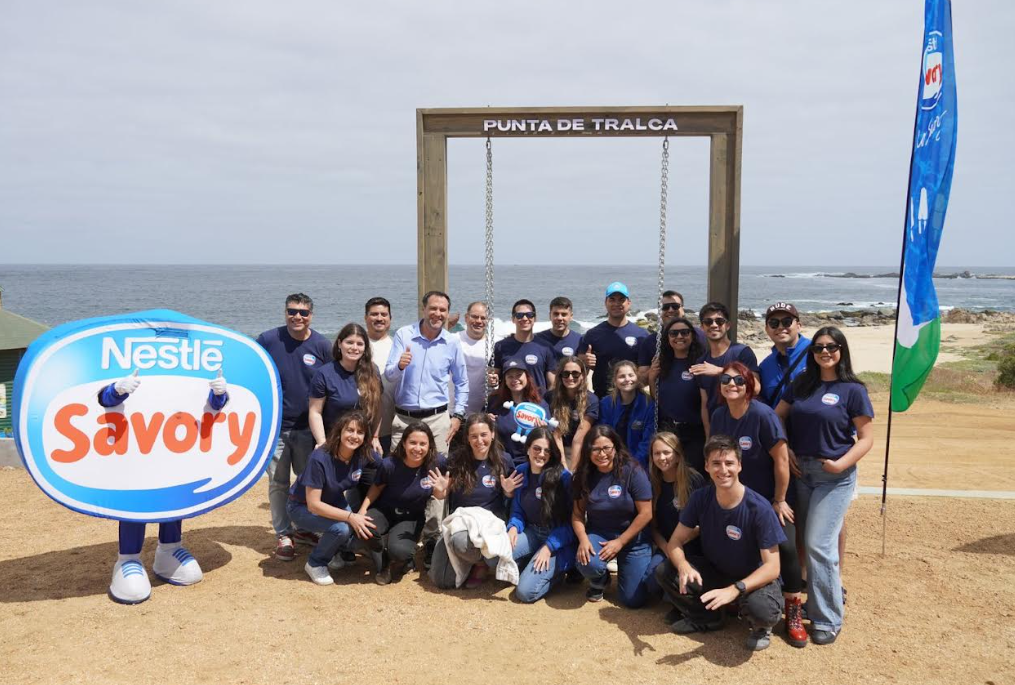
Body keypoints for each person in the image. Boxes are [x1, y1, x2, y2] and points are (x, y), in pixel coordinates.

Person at [775, 326, 874, 645]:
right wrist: (785, 446)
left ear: (841, 350)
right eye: (818, 347)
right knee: (807, 543)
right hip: (802, 472)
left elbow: (867, 438)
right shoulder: (802, 383)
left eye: (831, 346)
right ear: (812, 352)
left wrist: (841, 463)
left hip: (835, 476)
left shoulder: (852, 390)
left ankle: (828, 618)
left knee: (819, 545)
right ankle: (815, 605)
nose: (825, 352)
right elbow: (777, 416)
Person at [105, 370, 228, 604]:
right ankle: (128, 558)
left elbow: (211, 406)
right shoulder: (126, 348)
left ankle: (170, 548)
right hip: (135, 443)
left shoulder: (194, 359)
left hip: (178, 441)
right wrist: (116, 390)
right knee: (136, 501)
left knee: (174, 496)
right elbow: (101, 400)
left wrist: (219, 394)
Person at [654, 435, 785, 652]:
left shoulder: (759, 508)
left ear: (740, 466)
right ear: (706, 466)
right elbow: (675, 541)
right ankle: (708, 618)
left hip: (751, 579)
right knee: (666, 571)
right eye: (716, 463)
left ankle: (760, 626)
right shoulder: (700, 498)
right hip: (717, 571)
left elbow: (773, 567)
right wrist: (683, 565)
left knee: (763, 610)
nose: (723, 470)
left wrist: (736, 589)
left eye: (729, 463)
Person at [710, 361, 807, 647]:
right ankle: (738, 595)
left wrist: (779, 500)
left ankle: (793, 610)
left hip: (769, 498)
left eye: (739, 380)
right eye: (726, 380)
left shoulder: (763, 415)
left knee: (786, 546)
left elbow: (781, 460)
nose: (732, 384)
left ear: (749, 384)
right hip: (736, 498)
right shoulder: (718, 415)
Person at [256, 293, 333, 561]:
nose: (297, 317)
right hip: (276, 427)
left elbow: (331, 385)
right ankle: (283, 533)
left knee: (306, 481)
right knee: (278, 482)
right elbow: (255, 374)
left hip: (308, 429)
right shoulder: (268, 340)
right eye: (292, 311)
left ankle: (304, 528)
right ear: (285, 312)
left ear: (311, 315)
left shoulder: (323, 345)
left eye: (303, 312)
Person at [427, 414, 522, 589]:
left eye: (484, 434)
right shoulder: (457, 460)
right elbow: (442, 494)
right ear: (467, 439)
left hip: (490, 522)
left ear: (492, 434)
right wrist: (440, 490)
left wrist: (508, 492)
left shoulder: (504, 460)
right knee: (442, 581)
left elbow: (511, 500)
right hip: (461, 521)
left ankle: (481, 564)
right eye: (474, 436)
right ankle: (471, 560)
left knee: (460, 543)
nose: (479, 440)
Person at [285, 411, 379, 586]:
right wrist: (351, 517)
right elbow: (314, 505)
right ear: (340, 431)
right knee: (341, 529)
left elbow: (389, 468)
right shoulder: (320, 457)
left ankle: (336, 550)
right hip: (301, 507)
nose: (354, 436)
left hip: (334, 500)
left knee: (355, 531)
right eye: (350, 430)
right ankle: (316, 562)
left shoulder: (362, 454)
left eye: (360, 432)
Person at [571, 425, 653, 607]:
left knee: (633, 601)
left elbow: (646, 513)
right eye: (595, 449)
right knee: (587, 562)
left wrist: (621, 541)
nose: (602, 454)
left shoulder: (633, 470)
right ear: (588, 451)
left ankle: (630, 568)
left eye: (606, 448)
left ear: (615, 447)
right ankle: (600, 580)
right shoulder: (583, 475)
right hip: (600, 534)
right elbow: (577, 514)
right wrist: (583, 540)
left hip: (633, 538)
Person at [358, 421, 447, 585]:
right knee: (363, 527)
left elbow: (439, 495)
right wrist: (362, 510)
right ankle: (384, 564)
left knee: (399, 551)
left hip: (411, 517)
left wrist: (442, 490)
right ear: (404, 443)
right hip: (384, 511)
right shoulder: (390, 464)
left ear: (430, 445)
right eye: (413, 442)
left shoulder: (437, 463)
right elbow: (376, 488)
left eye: (423, 444)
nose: (417, 448)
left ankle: (401, 559)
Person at [385, 290, 469, 454]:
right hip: (404, 420)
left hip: (437, 420)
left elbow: (462, 382)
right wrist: (400, 366)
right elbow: (389, 375)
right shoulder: (404, 335)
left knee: (437, 471)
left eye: (442, 310)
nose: (437, 314)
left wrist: (458, 416)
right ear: (424, 309)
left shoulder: (451, 342)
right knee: (397, 472)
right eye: (433, 308)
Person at [506, 427, 576, 603]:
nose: (541, 454)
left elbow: (572, 522)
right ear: (528, 449)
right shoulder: (521, 471)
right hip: (531, 531)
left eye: (547, 450)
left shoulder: (563, 478)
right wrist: (513, 527)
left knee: (524, 592)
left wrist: (549, 547)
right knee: (497, 556)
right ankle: (529, 561)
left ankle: (559, 572)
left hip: (557, 540)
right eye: (537, 448)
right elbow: (518, 509)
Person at [643, 432, 705, 620]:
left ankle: (681, 605)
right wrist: (668, 548)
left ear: (678, 454)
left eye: (667, 452)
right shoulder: (652, 482)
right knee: (650, 582)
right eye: (657, 453)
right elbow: (653, 527)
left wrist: (678, 544)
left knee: (685, 579)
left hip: (693, 546)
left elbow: (703, 524)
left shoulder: (694, 480)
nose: (662, 458)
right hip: (666, 545)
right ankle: (672, 594)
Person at [308, 323, 382, 451]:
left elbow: (378, 407)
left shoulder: (373, 371)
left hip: (363, 443)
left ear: (365, 348)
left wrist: (375, 436)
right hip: (333, 443)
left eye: (359, 344)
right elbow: (315, 411)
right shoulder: (324, 374)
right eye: (349, 342)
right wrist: (322, 442)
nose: (354, 348)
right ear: (339, 344)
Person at [652, 316, 709, 475]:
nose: (679, 337)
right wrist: (651, 377)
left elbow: (705, 403)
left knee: (692, 476)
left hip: (694, 432)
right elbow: (657, 399)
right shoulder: (662, 363)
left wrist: (708, 436)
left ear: (692, 335)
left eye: (684, 332)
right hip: (668, 430)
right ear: (667, 337)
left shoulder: (699, 363)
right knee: (670, 476)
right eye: (673, 333)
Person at [578, 282, 648, 398]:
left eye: (621, 299)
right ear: (606, 303)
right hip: (603, 399)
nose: (616, 303)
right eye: (612, 299)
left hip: (634, 398)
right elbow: (579, 367)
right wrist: (585, 362)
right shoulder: (592, 334)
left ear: (629, 303)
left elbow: (646, 370)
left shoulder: (642, 335)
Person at [691, 302, 759, 414]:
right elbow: (705, 404)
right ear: (702, 327)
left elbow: (756, 388)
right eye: (708, 322)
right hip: (716, 425)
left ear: (727, 325)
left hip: (742, 422)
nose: (714, 325)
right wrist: (709, 430)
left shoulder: (742, 352)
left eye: (719, 321)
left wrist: (720, 371)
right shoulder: (701, 363)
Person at [489, 357, 551, 467]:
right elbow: (484, 426)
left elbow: (550, 433)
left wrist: (544, 429)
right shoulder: (494, 402)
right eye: (510, 376)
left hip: (531, 464)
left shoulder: (539, 404)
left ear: (527, 377)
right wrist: (487, 420)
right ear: (505, 380)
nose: (515, 379)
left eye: (518, 375)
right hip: (502, 462)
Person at [637, 290, 705, 386]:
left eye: (675, 306)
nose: (670, 310)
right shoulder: (650, 342)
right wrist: (652, 371)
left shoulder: (699, 335)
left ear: (682, 309)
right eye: (665, 307)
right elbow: (641, 381)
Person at [492, 299, 556, 394]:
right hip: (509, 405)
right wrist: (492, 380)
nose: (525, 318)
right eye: (519, 315)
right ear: (513, 319)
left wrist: (548, 405)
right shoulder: (501, 346)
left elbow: (552, 384)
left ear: (535, 318)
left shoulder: (546, 347)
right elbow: (492, 376)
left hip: (537, 405)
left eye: (529, 315)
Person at [598, 360, 655, 468]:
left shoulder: (648, 405)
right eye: (622, 376)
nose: (627, 379)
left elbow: (647, 441)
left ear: (637, 378)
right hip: (611, 462)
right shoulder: (606, 404)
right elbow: (603, 435)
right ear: (615, 381)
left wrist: (632, 465)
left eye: (631, 375)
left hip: (639, 465)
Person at [546, 356, 599, 469]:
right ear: (560, 376)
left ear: (583, 375)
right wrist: (563, 466)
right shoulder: (550, 397)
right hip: (555, 448)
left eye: (575, 374)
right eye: (566, 374)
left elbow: (579, 439)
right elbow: (556, 434)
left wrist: (572, 471)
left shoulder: (591, 400)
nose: (570, 377)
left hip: (581, 450)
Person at [758, 302, 811, 408]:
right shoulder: (765, 366)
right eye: (774, 323)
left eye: (787, 322)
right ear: (767, 329)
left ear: (798, 326)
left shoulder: (817, 352)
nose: (781, 327)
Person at [364, 297, 397, 455]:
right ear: (366, 317)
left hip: (392, 429)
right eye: (374, 314)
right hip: (361, 428)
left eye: (384, 314)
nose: (379, 318)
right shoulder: (357, 346)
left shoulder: (397, 346)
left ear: (390, 318)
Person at [452, 301, 492, 417]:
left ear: (488, 320)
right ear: (466, 318)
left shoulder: (496, 344)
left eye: (483, 318)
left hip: (482, 415)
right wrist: (448, 325)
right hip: (452, 412)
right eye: (474, 316)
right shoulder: (453, 340)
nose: (478, 321)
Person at [534, 296, 582, 364]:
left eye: (564, 314)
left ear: (571, 316)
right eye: (556, 314)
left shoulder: (579, 340)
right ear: (550, 315)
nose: (559, 318)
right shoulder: (538, 340)